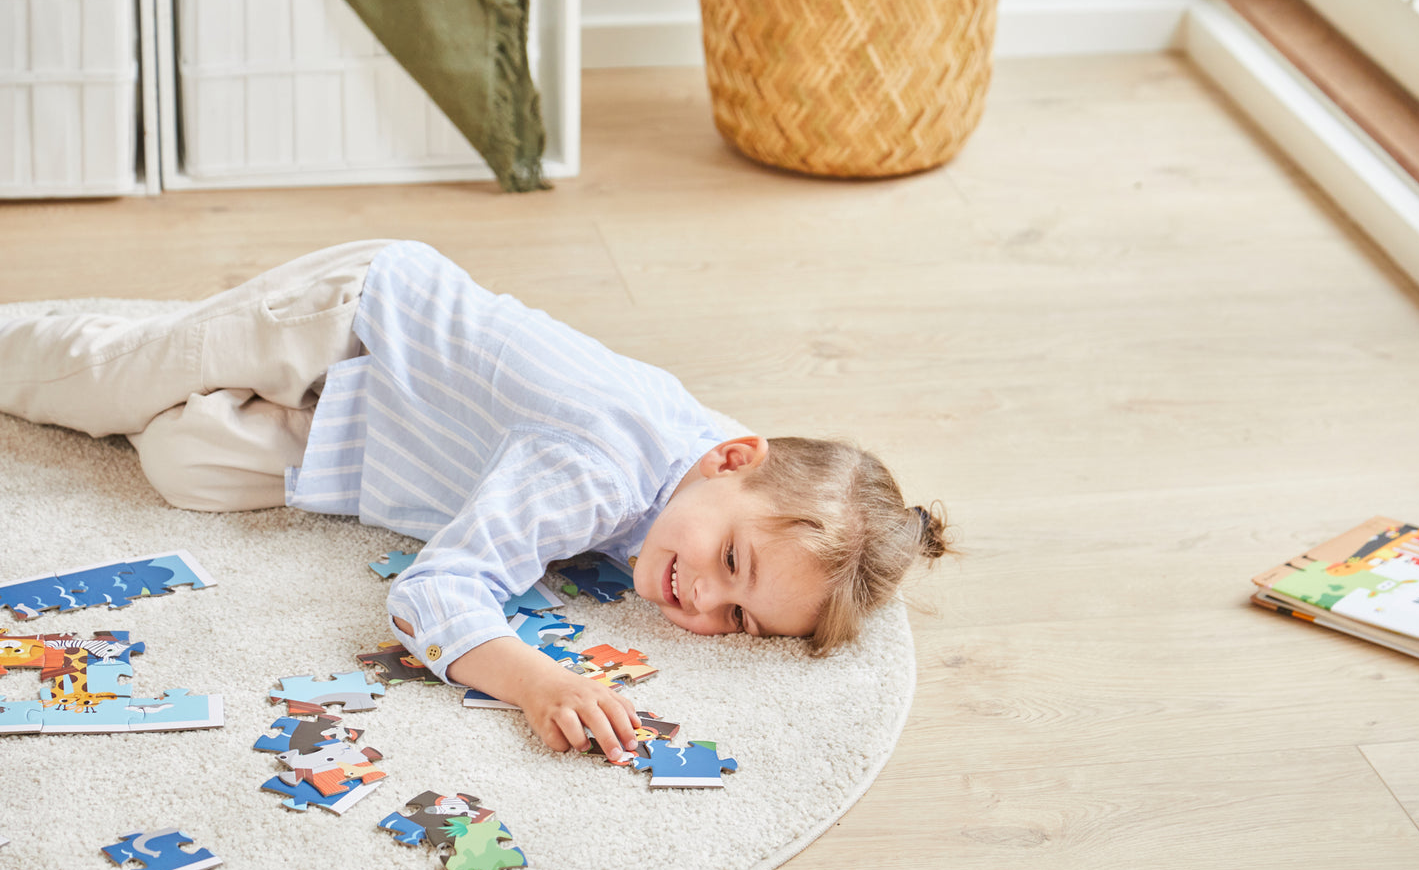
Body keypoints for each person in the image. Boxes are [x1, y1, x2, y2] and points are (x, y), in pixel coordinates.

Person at [0, 240, 951, 762]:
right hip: (345, 326)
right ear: (731, 454)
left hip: (368, 438)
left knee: (178, 465)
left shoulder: (717, 482)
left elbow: (767, 525)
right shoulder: (602, 467)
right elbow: (431, 592)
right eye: (732, 565)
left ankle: (169, 361)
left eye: (740, 618)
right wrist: (538, 678)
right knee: (92, 382)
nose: (702, 599)